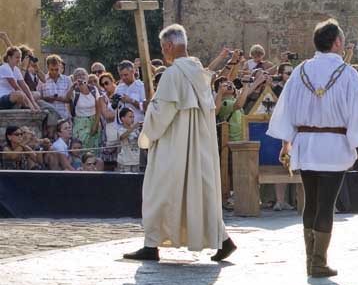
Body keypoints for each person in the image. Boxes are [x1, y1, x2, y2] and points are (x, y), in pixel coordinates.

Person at [267, 19, 358, 277]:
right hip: (334, 146)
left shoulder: (301, 70)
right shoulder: (347, 73)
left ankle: (311, 261)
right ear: (337, 42)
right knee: (326, 204)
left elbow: (287, 109)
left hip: (306, 145)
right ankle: (318, 263)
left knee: (312, 203)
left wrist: (287, 143)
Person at [123, 24, 236, 262]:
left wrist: (149, 120)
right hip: (199, 146)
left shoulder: (173, 74)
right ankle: (223, 240)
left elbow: (162, 112)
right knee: (200, 192)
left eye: (163, 48)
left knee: (158, 191)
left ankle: (151, 245)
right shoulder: (200, 73)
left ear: (168, 46)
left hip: (173, 146)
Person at [69, 68, 103, 150]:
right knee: (81, 146)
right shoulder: (74, 91)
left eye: (83, 74)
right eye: (77, 75)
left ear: (87, 77)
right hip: (79, 122)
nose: (80, 77)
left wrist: (96, 124)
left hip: (94, 120)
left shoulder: (93, 89)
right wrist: (72, 87)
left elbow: (98, 108)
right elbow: (67, 99)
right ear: (74, 79)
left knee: (94, 147)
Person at [0, 46, 39, 111]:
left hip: (13, 97)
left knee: (37, 94)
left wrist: (33, 102)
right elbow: (16, 87)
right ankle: (26, 107)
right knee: (19, 94)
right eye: (17, 57)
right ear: (9, 58)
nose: (19, 60)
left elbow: (24, 86)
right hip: (3, 98)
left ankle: (24, 105)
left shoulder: (16, 69)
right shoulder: (5, 68)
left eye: (20, 58)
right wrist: (30, 104)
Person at [38, 55, 72, 121]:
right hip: (47, 117)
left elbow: (70, 100)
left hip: (64, 116)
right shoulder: (42, 80)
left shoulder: (67, 80)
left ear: (60, 67)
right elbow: (38, 98)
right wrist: (48, 99)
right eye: (52, 69)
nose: (54, 72)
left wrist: (59, 99)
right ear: (47, 67)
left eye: (56, 69)